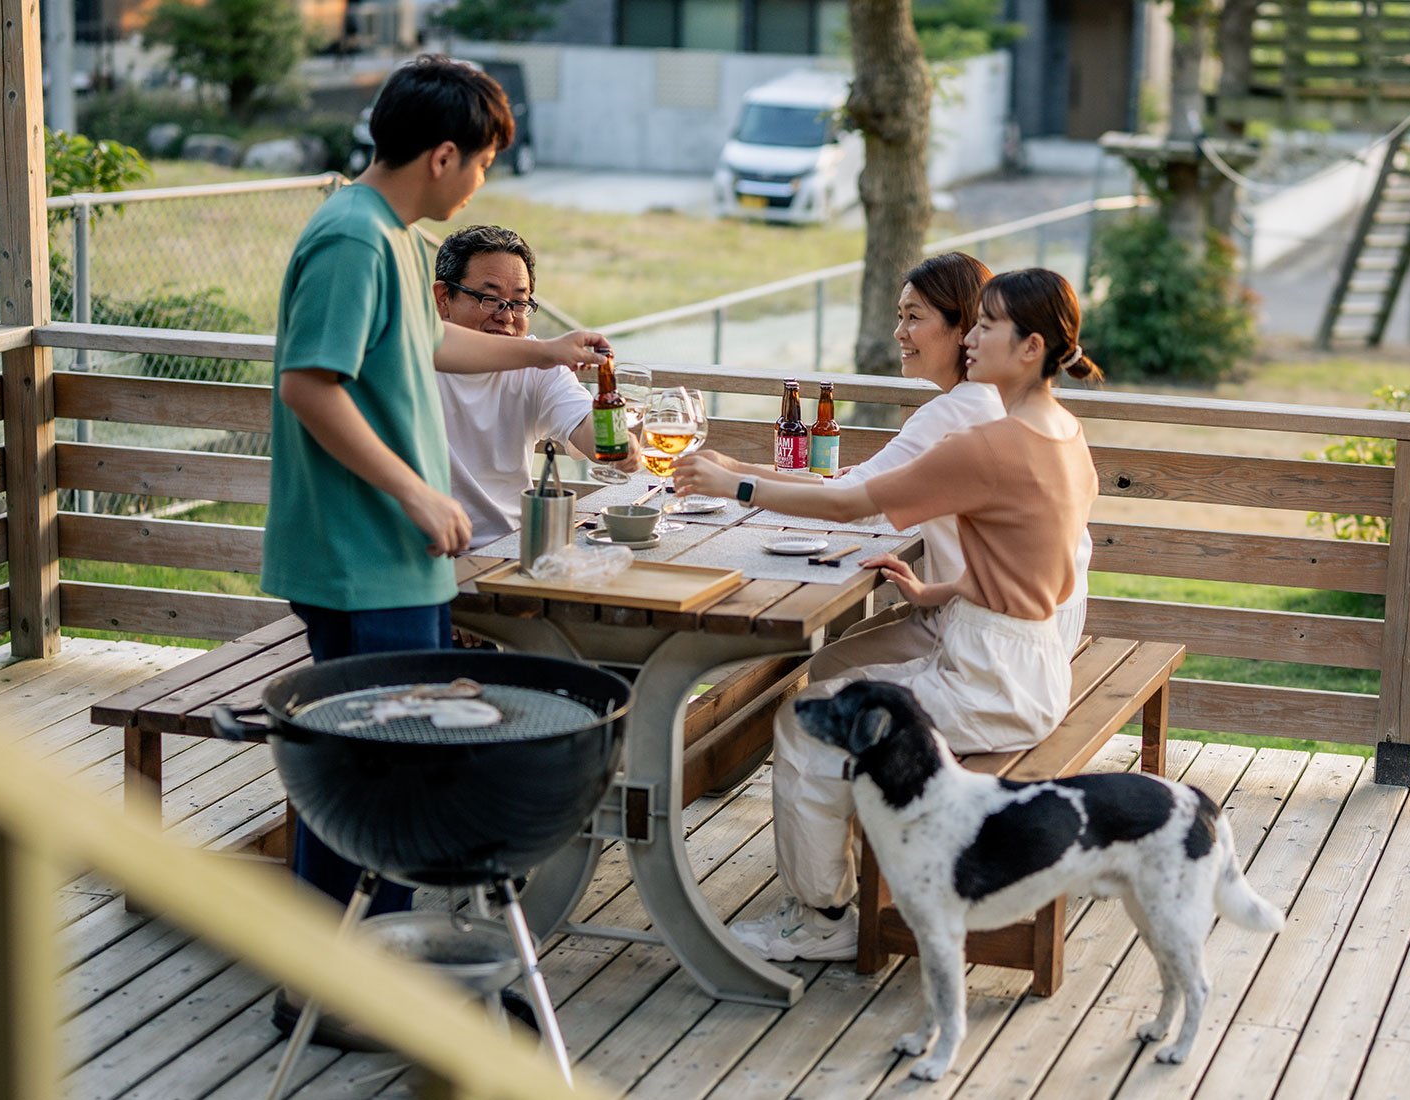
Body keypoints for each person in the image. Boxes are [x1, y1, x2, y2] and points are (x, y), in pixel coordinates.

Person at [261, 56, 610, 931]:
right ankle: (356, 981)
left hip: (388, 558)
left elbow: (438, 347)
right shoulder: (352, 239)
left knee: (361, 771)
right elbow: (310, 385)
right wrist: (417, 492)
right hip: (365, 552)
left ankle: (338, 973)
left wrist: (548, 351)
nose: (488, 176)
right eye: (487, 158)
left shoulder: (390, 237)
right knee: (383, 778)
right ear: (446, 155)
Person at [673, 268, 1101, 962]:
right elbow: (1040, 573)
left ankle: (821, 918)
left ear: (1030, 347)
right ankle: (841, 874)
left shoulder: (989, 443)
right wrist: (941, 593)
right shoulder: (1062, 431)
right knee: (837, 683)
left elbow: (851, 503)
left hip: (991, 681)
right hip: (1027, 663)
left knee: (809, 722)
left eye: (986, 327)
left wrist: (737, 483)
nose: (972, 342)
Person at [431, 224, 639, 549]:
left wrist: (618, 446)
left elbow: (588, 433)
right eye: (490, 299)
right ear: (444, 298)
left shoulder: (538, 367)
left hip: (510, 550)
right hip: (421, 554)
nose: (506, 316)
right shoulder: (410, 355)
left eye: (518, 303)